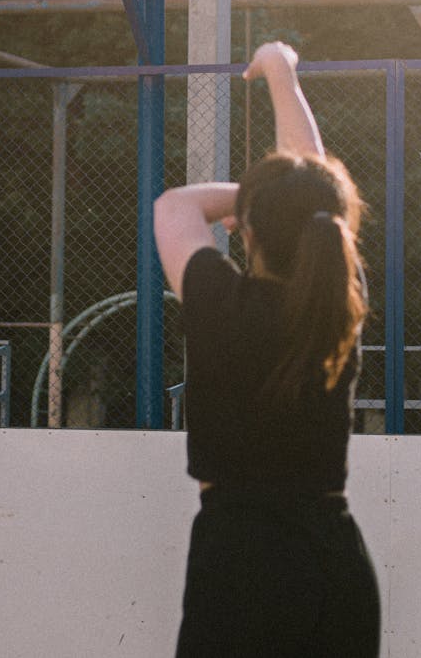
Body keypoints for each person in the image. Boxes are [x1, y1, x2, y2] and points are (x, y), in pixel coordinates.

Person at [153, 41, 381, 657]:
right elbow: (312, 189)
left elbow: (174, 207)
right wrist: (281, 71)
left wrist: (252, 199)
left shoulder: (220, 305)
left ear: (246, 235)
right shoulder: (337, 306)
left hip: (241, 566)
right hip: (336, 565)